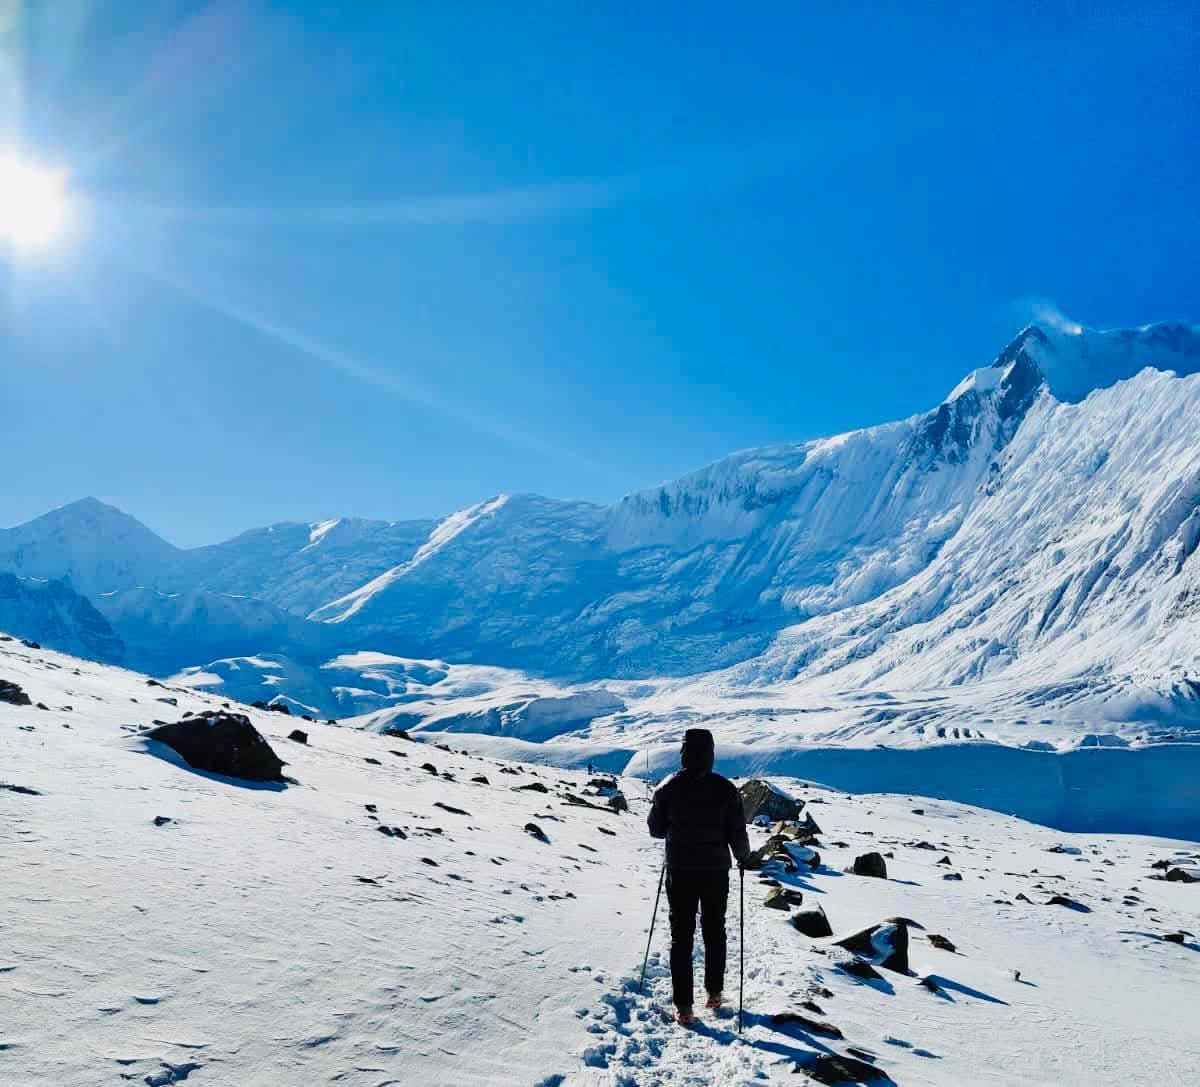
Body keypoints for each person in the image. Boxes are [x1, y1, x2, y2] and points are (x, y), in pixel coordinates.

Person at [647, 728, 750, 1025]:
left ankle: (684, 1007)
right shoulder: (726, 789)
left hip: (679, 871)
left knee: (681, 937)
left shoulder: (667, 788)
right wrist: (743, 857)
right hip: (716, 871)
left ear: (683, 753)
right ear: (711, 755)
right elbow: (737, 832)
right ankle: (714, 993)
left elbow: (655, 829)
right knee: (714, 931)